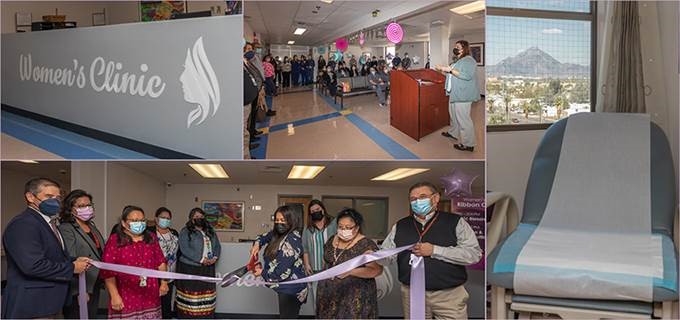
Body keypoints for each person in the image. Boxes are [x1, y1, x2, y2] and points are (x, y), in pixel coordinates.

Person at [381, 182, 482, 319]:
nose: (417, 202)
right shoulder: (400, 225)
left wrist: (435, 250)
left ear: (435, 198)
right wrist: (373, 256)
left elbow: (474, 255)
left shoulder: (455, 222)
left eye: (422, 197)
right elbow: (388, 256)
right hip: (412, 294)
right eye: (413, 199)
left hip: (448, 296)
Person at [2, 178, 89, 319]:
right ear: (30, 197)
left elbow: (52, 256)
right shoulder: (24, 224)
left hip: (51, 303)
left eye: (57, 198)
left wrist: (74, 260)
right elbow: (32, 265)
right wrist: (72, 268)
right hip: (33, 305)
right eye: (49, 197)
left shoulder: (49, 223)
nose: (55, 202)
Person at [101, 205, 169, 319]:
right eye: (135, 220)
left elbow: (161, 261)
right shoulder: (115, 240)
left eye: (142, 220)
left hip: (150, 292)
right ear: (123, 223)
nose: (140, 223)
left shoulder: (151, 238)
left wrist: (164, 283)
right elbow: (108, 271)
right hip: (125, 294)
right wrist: (114, 295)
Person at [316, 208, 382, 319]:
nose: (343, 230)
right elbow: (326, 262)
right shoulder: (331, 240)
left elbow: (377, 270)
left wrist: (350, 271)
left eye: (348, 227)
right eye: (340, 227)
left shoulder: (366, 244)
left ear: (356, 228)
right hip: (328, 295)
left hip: (353, 299)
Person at [250, 206, 307, 319]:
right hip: (285, 288)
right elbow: (263, 237)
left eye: (283, 220)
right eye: (277, 220)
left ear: (291, 221)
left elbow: (281, 272)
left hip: (291, 289)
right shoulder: (278, 233)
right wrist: (257, 244)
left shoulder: (292, 240)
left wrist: (262, 272)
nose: (279, 223)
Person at [59, 189, 106, 319]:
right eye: (81, 206)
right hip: (80, 285)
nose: (87, 208)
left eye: (89, 205)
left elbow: (99, 251)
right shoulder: (67, 228)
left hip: (94, 280)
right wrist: (79, 290)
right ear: (71, 209)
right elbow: (71, 259)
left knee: (91, 315)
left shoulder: (92, 226)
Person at [175, 208, 221, 318]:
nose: (199, 219)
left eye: (201, 217)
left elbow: (217, 246)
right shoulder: (185, 231)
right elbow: (184, 249)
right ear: (191, 219)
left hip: (208, 268)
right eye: (196, 217)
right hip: (190, 268)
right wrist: (201, 259)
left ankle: (206, 316)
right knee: (191, 298)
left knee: (206, 296)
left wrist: (215, 257)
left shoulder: (210, 230)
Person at [435, 40, 480, 152]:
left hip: (463, 94)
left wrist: (449, 69)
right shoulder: (459, 60)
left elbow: (467, 75)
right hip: (454, 92)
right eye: (455, 46)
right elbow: (454, 73)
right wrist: (446, 70)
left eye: (458, 47)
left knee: (464, 119)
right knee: (454, 115)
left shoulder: (469, 60)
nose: (455, 48)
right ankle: (453, 133)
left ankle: (468, 144)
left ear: (464, 48)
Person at [301, 200, 337, 310]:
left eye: (317, 209)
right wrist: (307, 264)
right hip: (315, 270)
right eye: (312, 211)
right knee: (317, 300)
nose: (315, 212)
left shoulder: (333, 224)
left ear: (323, 209)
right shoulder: (308, 229)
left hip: (331, 268)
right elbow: (305, 248)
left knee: (332, 299)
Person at [148, 207, 179, 319]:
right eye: (163, 218)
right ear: (156, 219)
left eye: (168, 218)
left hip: (170, 274)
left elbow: (178, 253)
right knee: (153, 303)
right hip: (154, 274)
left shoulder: (174, 233)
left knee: (166, 303)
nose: (165, 220)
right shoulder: (149, 233)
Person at [244, 43, 263, 153]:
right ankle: (249, 142)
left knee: (253, 115)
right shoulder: (244, 63)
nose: (250, 51)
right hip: (249, 96)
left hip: (256, 91)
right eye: (247, 49)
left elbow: (257, 74)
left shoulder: (249, 63)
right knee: (248, 120)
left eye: (251, 49)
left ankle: (253, 133)